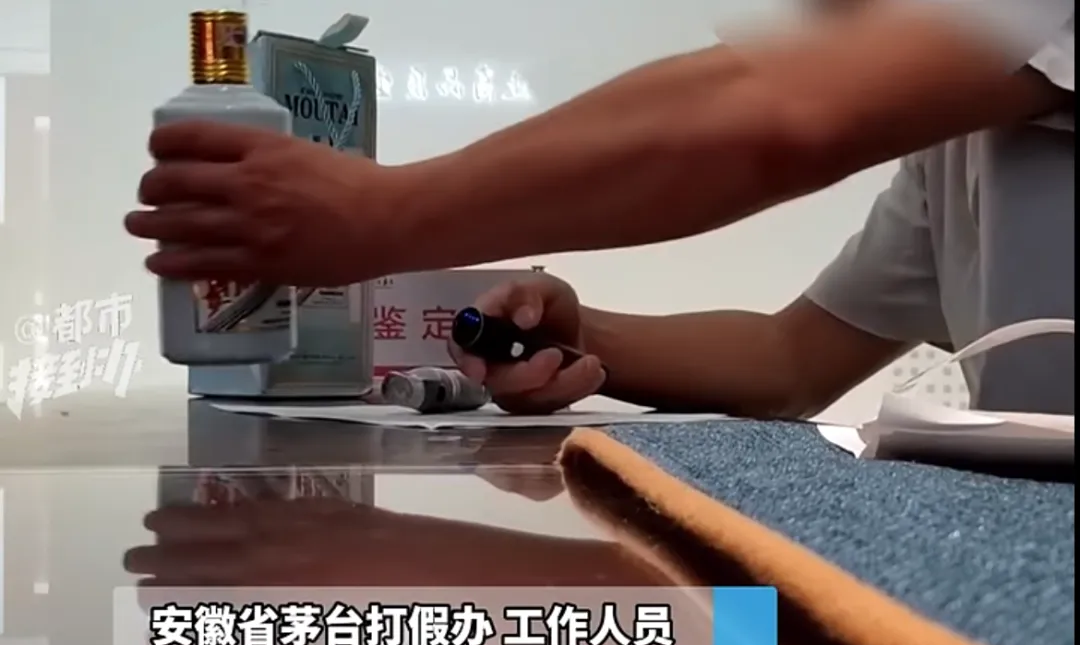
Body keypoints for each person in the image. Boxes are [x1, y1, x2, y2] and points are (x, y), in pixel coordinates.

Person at [125, 2, 1074, 414]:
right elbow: (792, 360)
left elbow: (783, 116)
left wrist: (379, 215)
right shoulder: (958, 149)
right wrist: (584, 338)